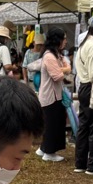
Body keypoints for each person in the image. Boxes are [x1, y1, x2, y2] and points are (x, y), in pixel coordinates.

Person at [28, 27, 71, 162]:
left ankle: (43, 149)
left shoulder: (55, 54)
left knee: (52, 123)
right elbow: (57, 76)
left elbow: (65, 67)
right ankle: (49, 153)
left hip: (53, 96)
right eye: (64, 38)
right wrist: (65, 70)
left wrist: (63, 68)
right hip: (50, 97)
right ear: (57, 40)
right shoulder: (49, 56)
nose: (65, 41)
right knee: (52, 125)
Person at [74, 15, 93, 176]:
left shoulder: (83, 44)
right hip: (90, 87)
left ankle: (80, 163)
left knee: (84, 126)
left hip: (83, 86)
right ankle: (91, 165)